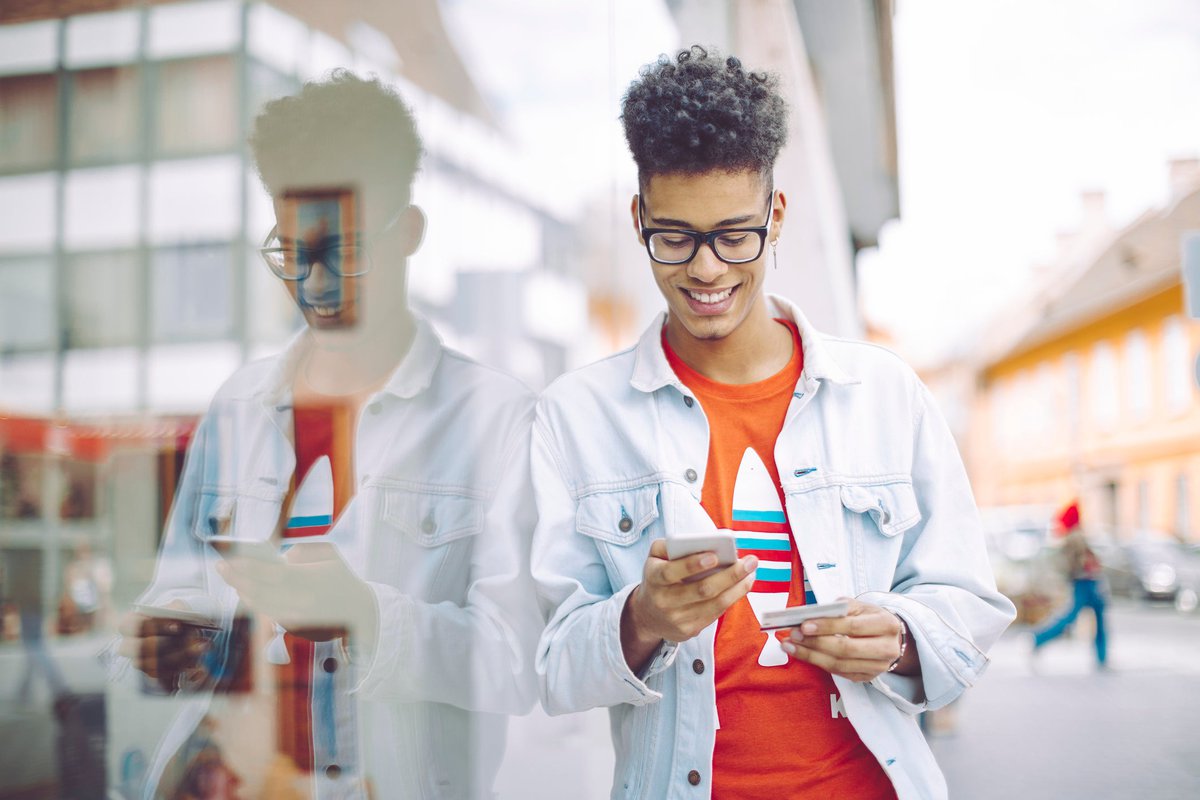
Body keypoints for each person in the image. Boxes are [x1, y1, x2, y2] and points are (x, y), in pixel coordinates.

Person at [531, 46, 1016, 799]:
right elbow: (554, 666)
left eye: (734, 235)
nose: (707, 270)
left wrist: (900, 640)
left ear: (776, 215)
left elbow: (971, 605)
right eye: (675, 238)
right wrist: (643, 616)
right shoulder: (577, 417)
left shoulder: (884, 394)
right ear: (639, 220)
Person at [112, 71, 539, 799]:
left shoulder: (493, 417)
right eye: (290, 253)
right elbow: (179, 598)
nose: (312, 283)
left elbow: (518, 663)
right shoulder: (240, 406)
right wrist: (166, 640)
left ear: (408, 234)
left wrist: (367, 615)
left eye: (339, 250)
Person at [1032, 501, 1107, 668]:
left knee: (1082, 618)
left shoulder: (1070, 536)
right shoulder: (1075, 536)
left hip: (1084, 582)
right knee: (1075, 618)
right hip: (1085, 582)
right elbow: (1078, 561)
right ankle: (1039, 639)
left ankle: (1102, 657)